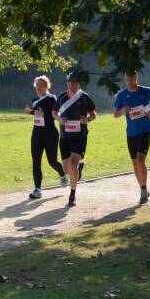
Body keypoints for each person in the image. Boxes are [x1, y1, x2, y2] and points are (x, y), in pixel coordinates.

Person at [113, 71, 150, 204]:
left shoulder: (146, 91)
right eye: (127, 80)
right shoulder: (121, 95)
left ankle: (144, 191)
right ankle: (142, 187)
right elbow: (115, 114)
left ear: (136, 78)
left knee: (140, 160)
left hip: (145, 130)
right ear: (125, 79)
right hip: (131, 133)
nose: (129, 82)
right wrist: (123, 110)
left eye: (132, 80)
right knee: (135, 163)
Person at [53, 70, 96, 207]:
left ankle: (72, 196)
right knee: (66, 169)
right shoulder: (61, 98)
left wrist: (87, 119)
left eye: (75, 82)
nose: (72, 85)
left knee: (72, 163)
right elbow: (54, 113)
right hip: (65, 137)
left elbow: (94, 114)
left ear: (78, 84)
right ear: (67, 83)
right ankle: (78, 170)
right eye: (70, 82)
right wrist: (59, 119)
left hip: (80, 137)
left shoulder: (84, 97)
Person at [24, 76, 68, 199]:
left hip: (50, 135)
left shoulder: (51, 98)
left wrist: (32, 112)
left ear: (47, 86)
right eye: (37, 85)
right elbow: (38, 116)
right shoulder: (34, 100)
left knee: (52, 161)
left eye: (42, 85)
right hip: (37, 134)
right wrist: (32, 112)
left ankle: (62, 174)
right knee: (36, 162)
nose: (39, 87)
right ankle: (37, 189)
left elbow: (53, 115)